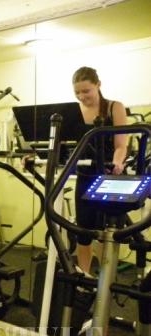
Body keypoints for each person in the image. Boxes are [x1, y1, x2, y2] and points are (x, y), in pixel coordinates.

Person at [73, 66, 128, 274]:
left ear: (98, 85)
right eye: (77, 92)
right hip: (85, 175)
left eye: (86, 91)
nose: (81, 96)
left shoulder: (114, 107)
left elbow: (121, 145)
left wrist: (117, 163)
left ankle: (106, 280)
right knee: (83, 232)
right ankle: (84, 278)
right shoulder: (75, 112)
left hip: (110, 174)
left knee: (108, 231)